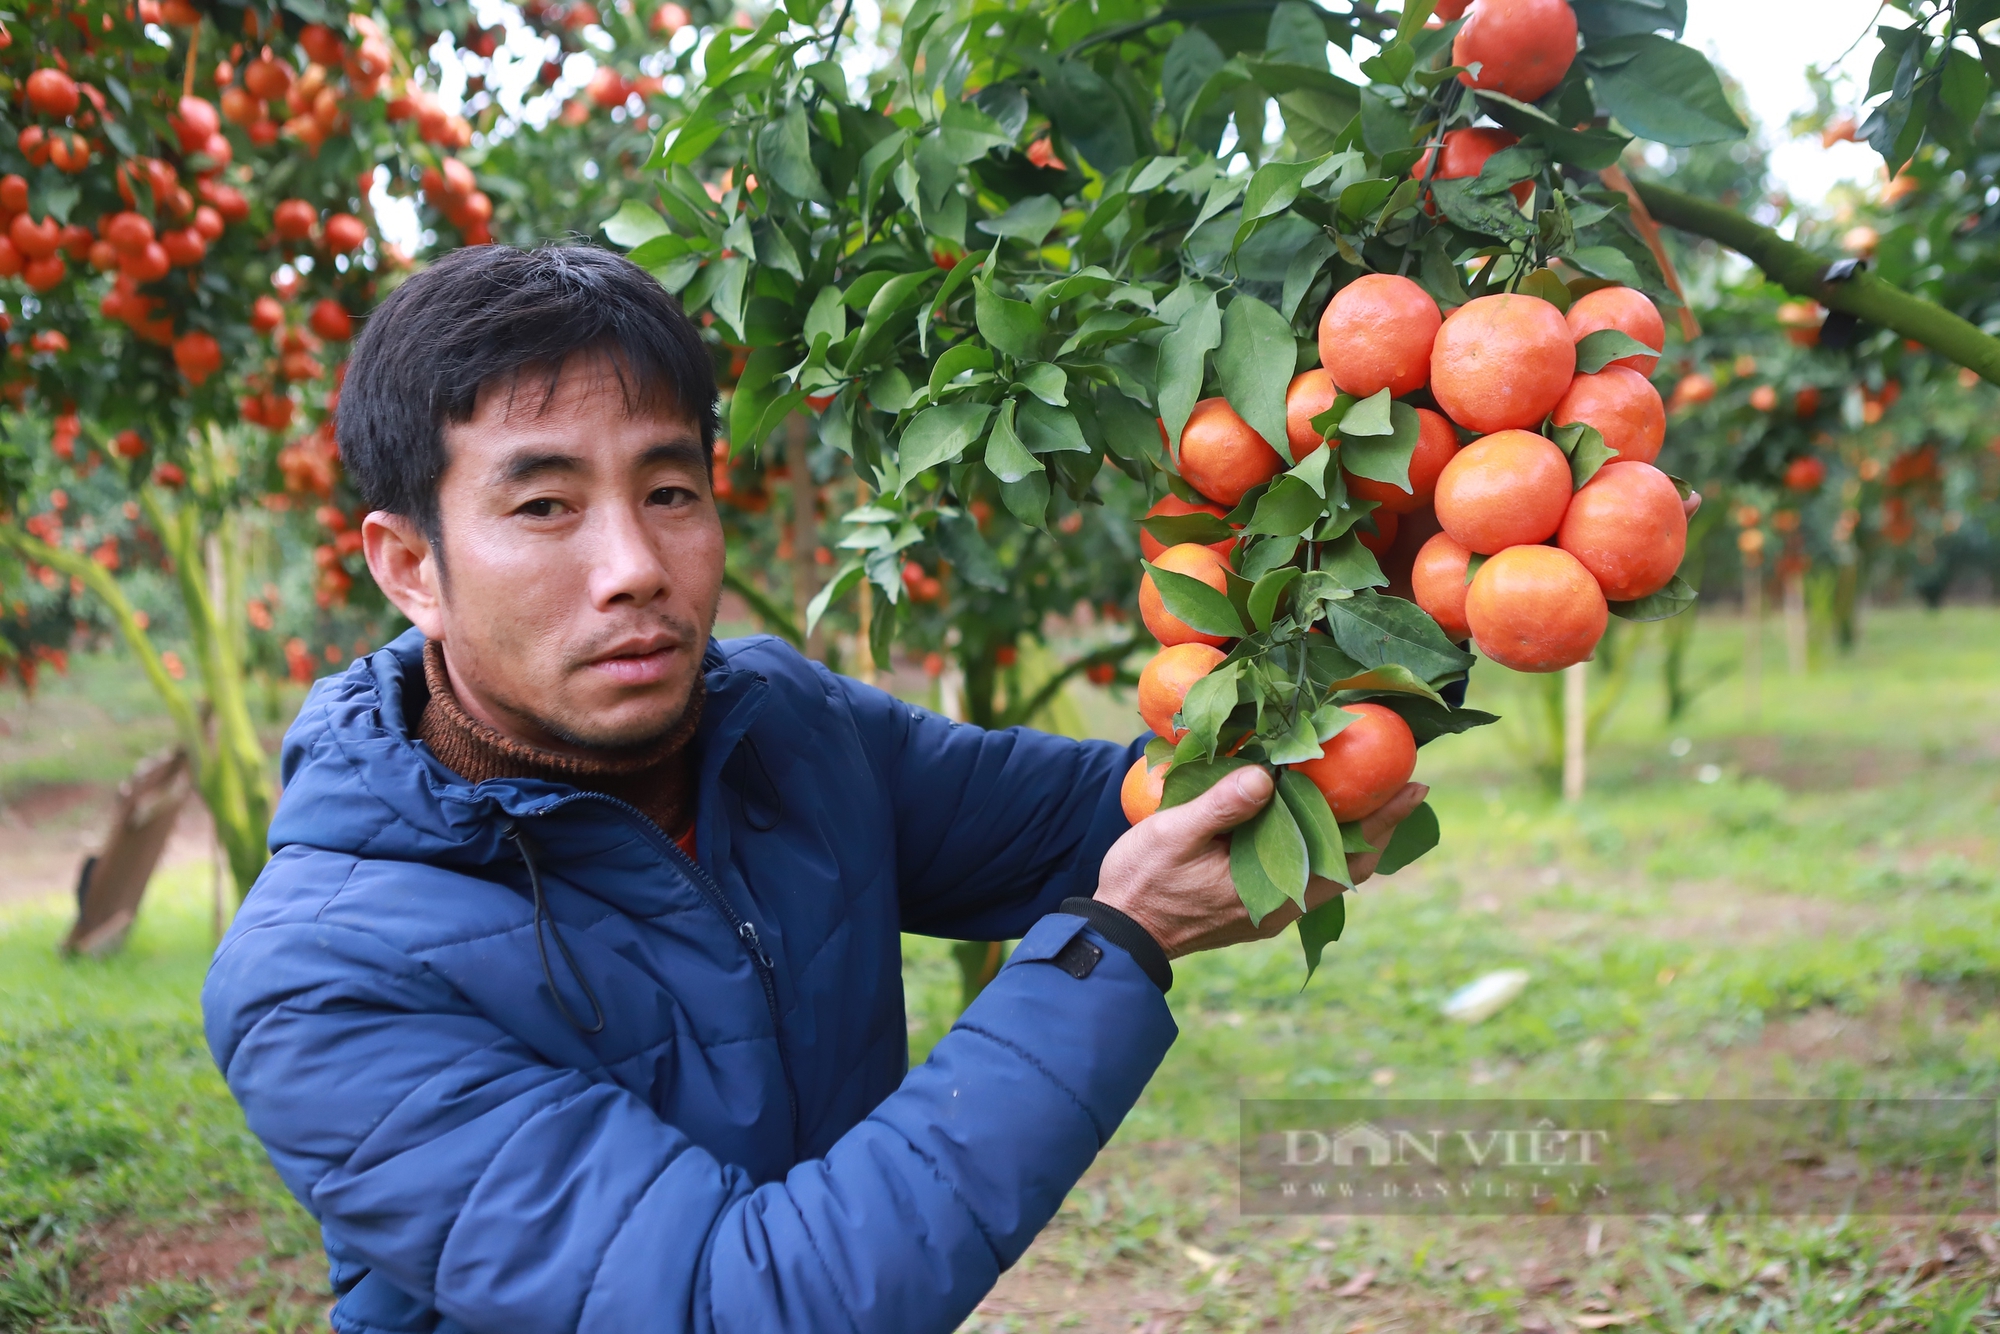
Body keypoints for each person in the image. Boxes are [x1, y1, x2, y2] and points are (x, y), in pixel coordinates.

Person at [202, 244, 1426, 1334]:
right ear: (411, 564)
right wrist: (1115, 945)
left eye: (669, 492)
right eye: (543, 505)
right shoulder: (322, 982)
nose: (634, 567)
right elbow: (738, 1299)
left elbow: (1101, 812)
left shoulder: (777, 727)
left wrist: (1397, 554)